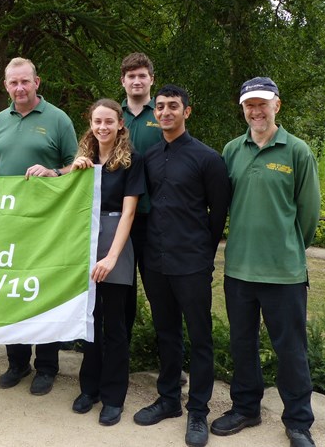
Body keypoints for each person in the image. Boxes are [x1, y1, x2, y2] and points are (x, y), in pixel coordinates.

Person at [211, 77, 321, 447]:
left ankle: (299, 422)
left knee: (290, 349)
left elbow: (308, 214)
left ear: (277, 105)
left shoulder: (297, 151)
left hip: (284, 272)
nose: (256, 111)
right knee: (242, 344)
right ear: (242, 109)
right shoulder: (231, 151)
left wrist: (287, 247)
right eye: (249, 105)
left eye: (262, 104)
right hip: (239, 269)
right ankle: (245, 408)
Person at [132, 84, 231, 447]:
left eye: (173, 106)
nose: (166, 112)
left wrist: (203, 255)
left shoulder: (208, 159)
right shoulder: (150, 156)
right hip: (155, 261)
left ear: (187, 112)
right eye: (160, 107)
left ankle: (199, 411)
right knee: (166, 332)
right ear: (155, 113)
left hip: (191, 262)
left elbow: (218, 214)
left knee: (200, 337)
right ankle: (169, 399)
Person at [0, 57, 78, 396]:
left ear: (37, 82)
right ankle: (17, 362)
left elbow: (75, 169)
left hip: (45, 225)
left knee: (41, 291)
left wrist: (54, 173)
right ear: (6, 86)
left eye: (25, 81)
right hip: (7, 225)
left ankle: (47, 367)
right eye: (13, 83)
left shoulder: (58, 119)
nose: (19, 88)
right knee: (10, 294)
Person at [69, 99, 144, 427]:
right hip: (85, 241)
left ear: (119, 125)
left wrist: (112, 257)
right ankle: (90, 388)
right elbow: (68, 200)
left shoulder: (131, 161)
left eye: (109, 122)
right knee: (89, 321)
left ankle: (114, 397)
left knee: (114, 326)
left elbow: (129, 212)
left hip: (116, 243)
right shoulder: (83, 160)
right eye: (97, 121)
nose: (103, 127)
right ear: (90, 122)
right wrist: (73, 173)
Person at [119, 52, 161, 338]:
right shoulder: (112, 115)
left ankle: (169, 362)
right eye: (131, 76)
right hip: (118, 217)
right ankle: (123, 355)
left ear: (151, 80)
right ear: (123, 81)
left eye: (141, 76)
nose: (137, 81)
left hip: (155, 216)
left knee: (159, 291)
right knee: (122, 291)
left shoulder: (163, 113)